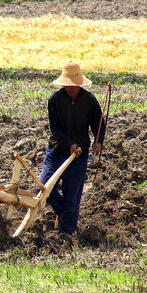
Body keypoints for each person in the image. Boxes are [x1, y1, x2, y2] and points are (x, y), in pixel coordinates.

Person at [39, 61, 106, 235]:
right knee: (44, 187)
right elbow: (55, 128)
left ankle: (67, 233)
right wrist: (69, 144)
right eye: (66, 85)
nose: (68, 88)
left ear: (79, 84)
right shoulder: (54, 99)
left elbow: (99, 124)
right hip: (56, 150)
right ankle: (61, 212)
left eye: (72, 86)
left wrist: (98, 141)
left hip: (79, 154)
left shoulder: (90, 100)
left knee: (72, 194)